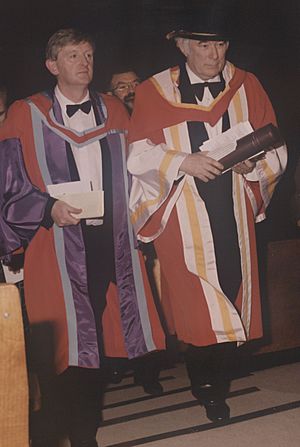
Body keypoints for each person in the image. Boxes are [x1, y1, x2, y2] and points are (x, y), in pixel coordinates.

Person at [0, 28, 165, 447]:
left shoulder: (114, 110)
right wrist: (44, 208)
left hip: (108, 244)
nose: (84, 63)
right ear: (52, 65)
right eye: (73, 56)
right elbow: (9, 181)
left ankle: (85, 434)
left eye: (89, 55)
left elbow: (139, 169)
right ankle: (54, 432)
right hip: (54, 245)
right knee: (61, 348)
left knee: (96, 346)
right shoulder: (27, 112)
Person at [127, 15, 287, 423]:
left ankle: (217, 376)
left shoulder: (246, 84)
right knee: (200, 307)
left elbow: (276, 146)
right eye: (203, 45)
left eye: (220, 44)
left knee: (232, 290)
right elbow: (138, 155)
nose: (214, 54)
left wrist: (253, 166)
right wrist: (184, 161)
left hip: (233, 206)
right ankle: (208, 387)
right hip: (182, 210)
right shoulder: (152, 91)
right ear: (182, 46)